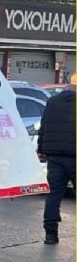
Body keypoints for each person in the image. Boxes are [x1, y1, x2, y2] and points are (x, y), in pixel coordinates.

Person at [38, 72, 76, 245]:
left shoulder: (52, 102)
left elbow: (43, 127)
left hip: (55, 158)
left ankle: (50, 234)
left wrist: (41, 150)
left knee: (53, 196)